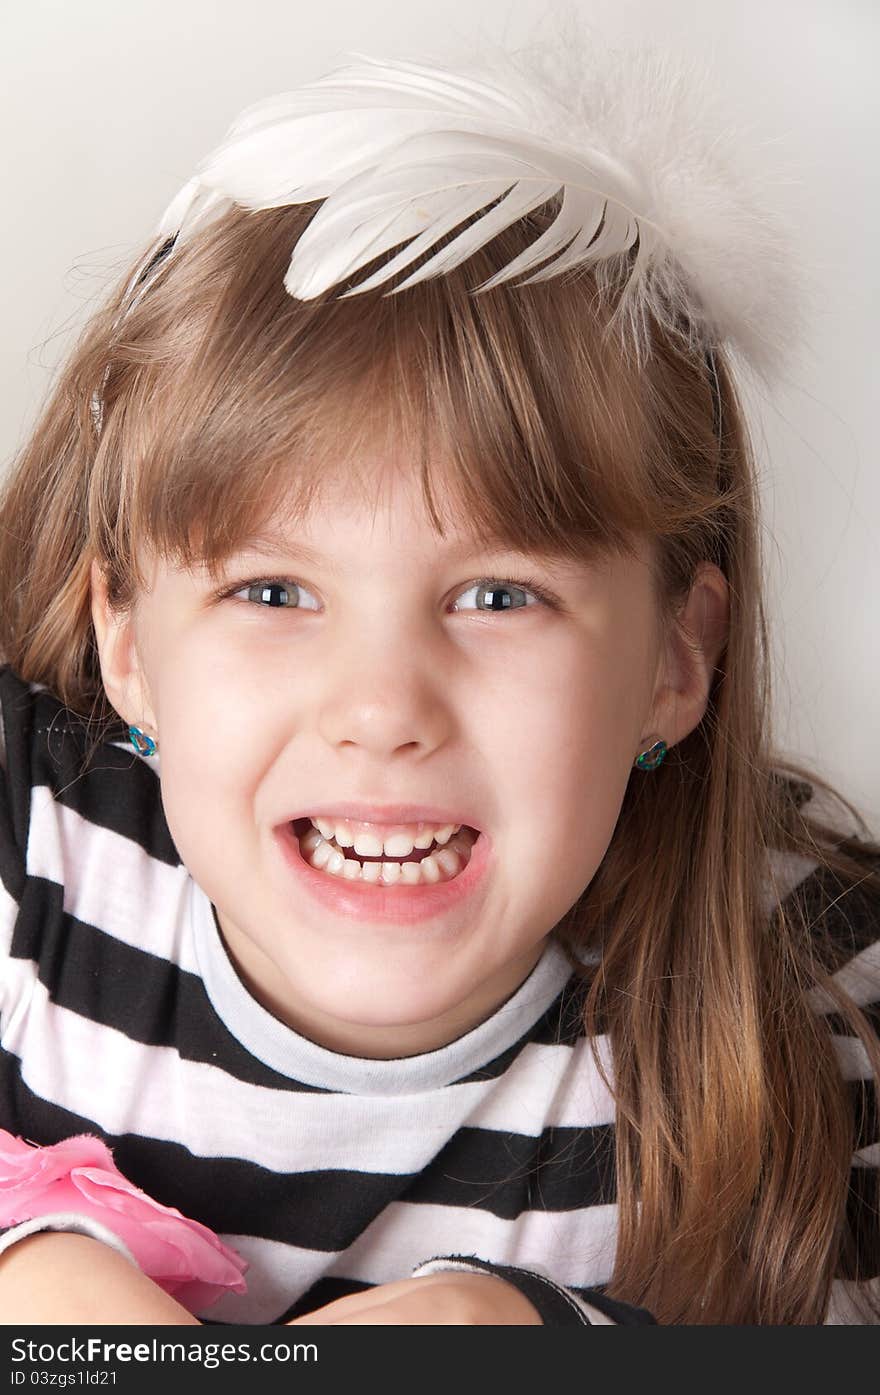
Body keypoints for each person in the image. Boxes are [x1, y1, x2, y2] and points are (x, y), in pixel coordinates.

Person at [0, 20, 878, 1326]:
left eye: (497, 595)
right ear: (128, 643)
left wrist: (521, 1333)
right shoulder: (29, 844)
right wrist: (32, 1261)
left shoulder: (809, 993)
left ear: (675, 660)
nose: (381, 712)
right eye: (273, 590)